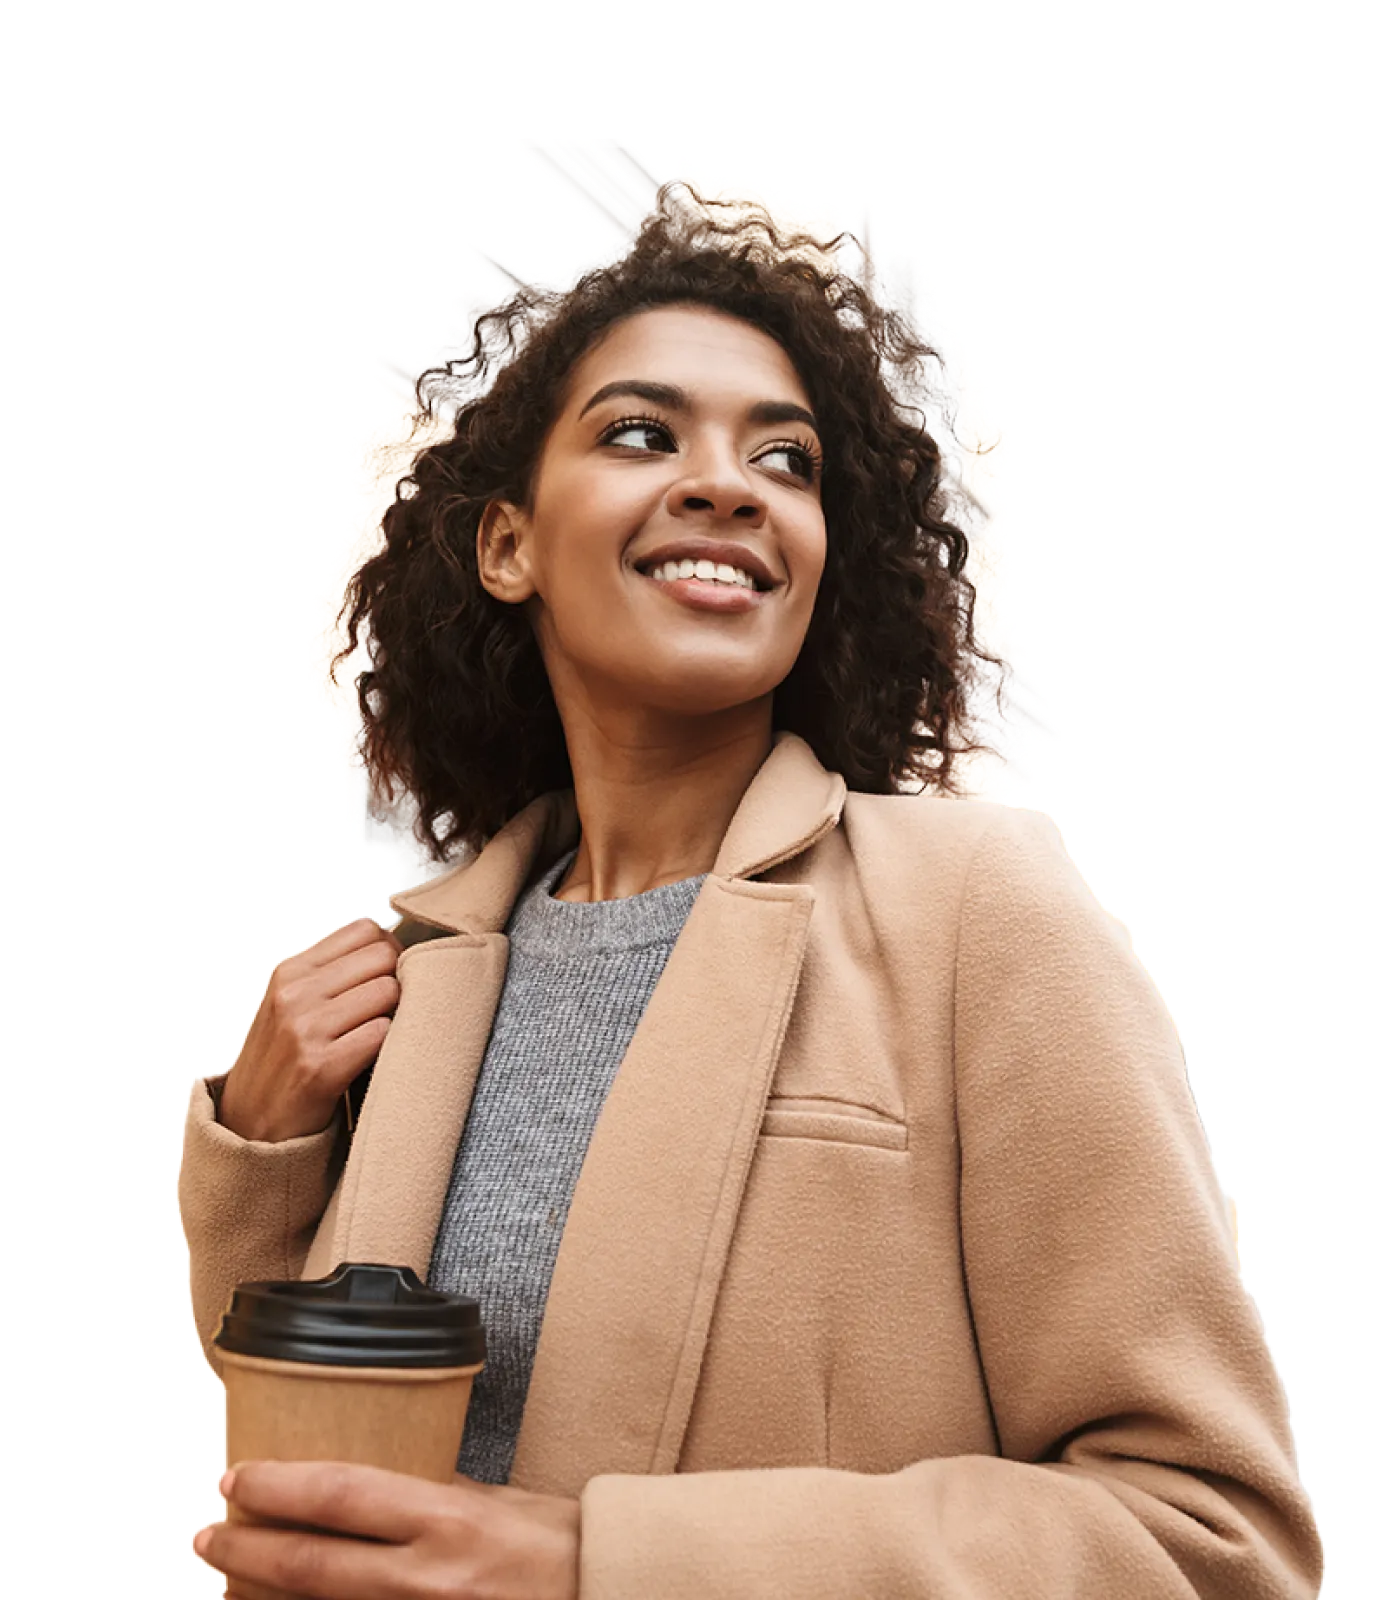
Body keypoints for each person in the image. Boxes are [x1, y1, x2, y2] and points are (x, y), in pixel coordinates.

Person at [177, 176, 1324, 1598]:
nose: (728, 484)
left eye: (786, 463)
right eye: (643, 434)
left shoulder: (981, 912)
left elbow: (1213, 1539)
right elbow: (331, 1443)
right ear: (507, 545)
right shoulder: (419, 971)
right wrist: (265, 1155)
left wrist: (601, 1560)